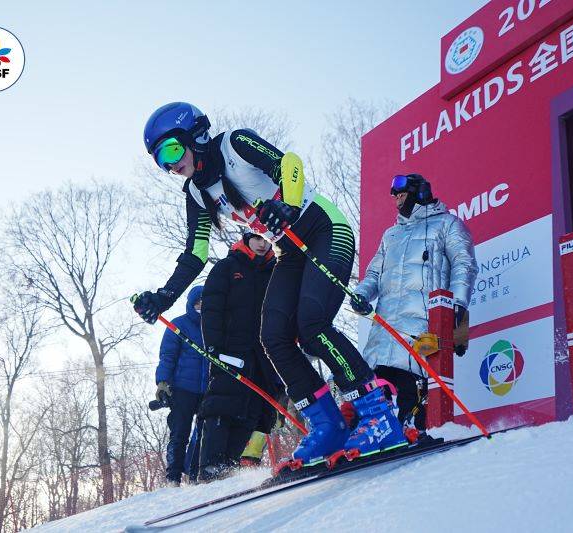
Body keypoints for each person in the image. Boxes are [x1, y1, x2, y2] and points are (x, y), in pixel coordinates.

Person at [133, 102, 405, 464]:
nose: (169, 165)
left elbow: (288, 164)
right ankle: (327, 424)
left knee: (312, 325)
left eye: (170, 150)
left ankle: (378, 414)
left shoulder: (234, 144)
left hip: (323, 229)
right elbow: (195, 253)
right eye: (159, 160)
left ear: (194, 136)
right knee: (273, 337)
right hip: (288, 252)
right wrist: (163, 297)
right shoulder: (197, 193)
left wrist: (288, 206)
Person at [351, 174, 477, 436]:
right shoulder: (391, 234)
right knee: (376, 381)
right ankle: (373, 432)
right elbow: (373, 274)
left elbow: (464, 265)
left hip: (422, 326)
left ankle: (411, 425)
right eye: (393, 193)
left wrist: (457, 305)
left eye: (400, 192)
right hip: (385, 327)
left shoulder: (448, 224)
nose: (395, 197)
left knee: (411, 381)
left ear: (420, 191)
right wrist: (361, 294)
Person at [197, 232, 280, 481]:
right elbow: (211, 309)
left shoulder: (275, 271)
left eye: (266, 239)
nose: (262, 243)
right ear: (246, 237)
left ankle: (229, 468)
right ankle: (210, 465)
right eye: (257, 237)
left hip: (262, 353)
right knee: (224, 403)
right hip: (230, 348)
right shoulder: (227, 267)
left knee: (252, 409)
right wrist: (213, 346)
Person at [155, 285, 208, 486]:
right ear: (191, 303)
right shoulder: (178, 325)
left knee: (203, 433)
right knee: (180, 432)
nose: (202, 306)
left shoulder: (214, 325)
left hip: (207, 390)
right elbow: (167, 356)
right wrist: (163, 382)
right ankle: (173, 477)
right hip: (183, 388)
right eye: (198, 302)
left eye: (205, 302)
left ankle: (195, 473)